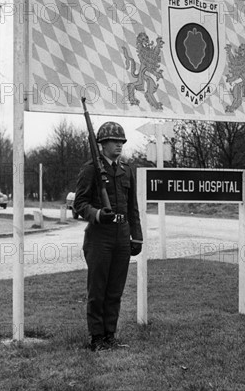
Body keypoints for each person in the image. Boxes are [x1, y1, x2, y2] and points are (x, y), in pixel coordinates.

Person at [74, 121, 143, 350]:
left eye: (121, 141)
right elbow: (79, 204)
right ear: (102, 145)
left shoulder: (126, 170)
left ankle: (110, 335)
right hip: (99, 237)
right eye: (114, 142)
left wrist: (137, 236)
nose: (119, 145)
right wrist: (96, 214)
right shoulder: (91, 169)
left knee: (115, 289)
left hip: (122, 236)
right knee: (98, 289)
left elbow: (132, 207)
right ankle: (96, 338)